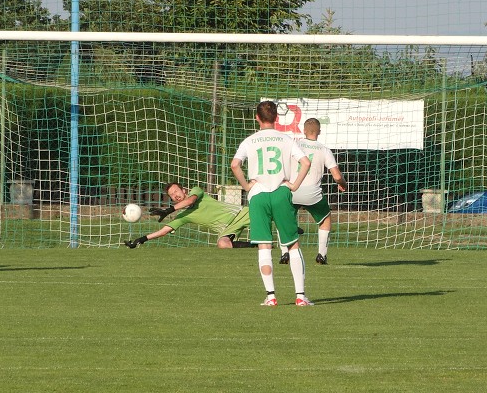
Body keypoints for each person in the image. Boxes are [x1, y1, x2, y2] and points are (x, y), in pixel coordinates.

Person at [231, 100, 313, 307]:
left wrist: (247, 186)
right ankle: (300, 297)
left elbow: (235, 165)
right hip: (280, 193)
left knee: (264, 246)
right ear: (277, 118)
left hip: (258, 195)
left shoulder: (249, 141)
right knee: (292, 244)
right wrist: (294, 185)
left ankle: (271, 297)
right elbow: (306, 162)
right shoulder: (287, 139)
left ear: (257, 118)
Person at [279, 117, 348, 265]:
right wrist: (343, 183)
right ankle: (321, 255)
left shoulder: (293, 145)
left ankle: (285, 253)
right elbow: (336, 176)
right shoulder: (324, 150)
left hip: (292, 190)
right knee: (325, 219)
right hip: (312, 194)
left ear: (303, 130)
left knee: (282, 218)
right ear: (319, 132)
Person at [123, 182, 255, 249]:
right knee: (222, 244)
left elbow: (190, 200)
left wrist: (168, 210)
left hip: (239, 213)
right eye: (172, 195)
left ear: (184, 190)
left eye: (176, 191)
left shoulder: (196, 191)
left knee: (268, 215)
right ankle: (255, 246)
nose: (176, 195)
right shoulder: (184, 215)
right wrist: (141, 239)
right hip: (227, 228)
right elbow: (164, 231)